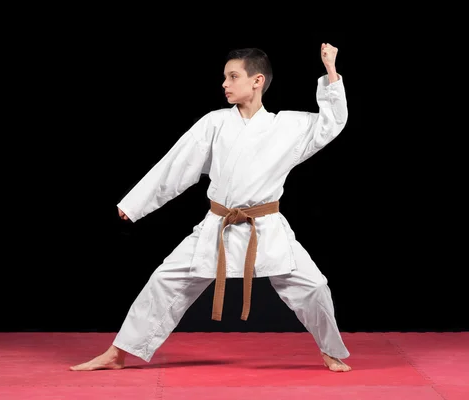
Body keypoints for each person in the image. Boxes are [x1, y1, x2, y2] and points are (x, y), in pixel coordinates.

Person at [70, 42, 352, 372]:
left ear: (257, 80)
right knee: (164, 281)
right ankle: (117, 353)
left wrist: (331, 71)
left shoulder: (286, 127)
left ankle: (330, 350)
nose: (225, 84)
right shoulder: (215, 123)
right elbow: (176, 164)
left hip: (266, 227)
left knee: (314, 286)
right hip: (218, 225)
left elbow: (330, 123)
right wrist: (136, 203)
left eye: (233, 77)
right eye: (225, 77)